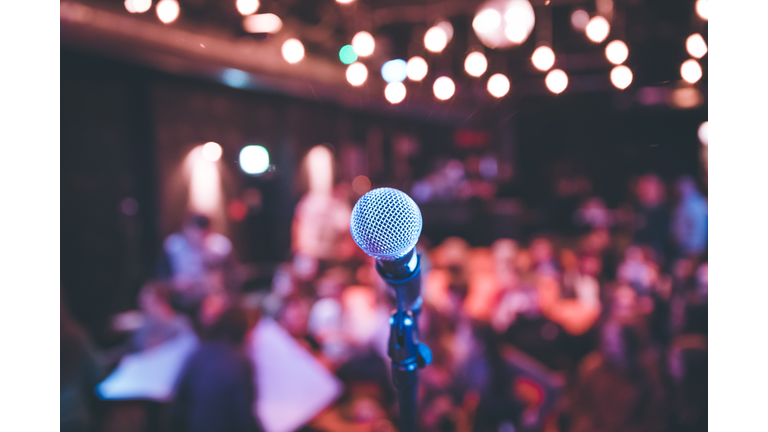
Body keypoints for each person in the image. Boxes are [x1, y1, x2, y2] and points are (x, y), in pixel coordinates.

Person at [171, 306, 264, 432]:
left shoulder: (198, 354)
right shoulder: (241, 361)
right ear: (243, 329)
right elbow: (242, 414)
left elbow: (179, 402)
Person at [162, 214, 235, 314]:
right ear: (186, 229)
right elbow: (159, 279)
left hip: (212, 303)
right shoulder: (173, 246)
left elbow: (235, 275)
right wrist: (174, 284)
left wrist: (227, 293)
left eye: (202, 235)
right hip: (181, 303)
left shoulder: (220, 247)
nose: (197, 239)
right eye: (194, 234)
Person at [670, 176, 708, 258]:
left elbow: (699, 228)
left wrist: (694, 248)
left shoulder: (695, 204)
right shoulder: (682, 203)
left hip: (692, 249)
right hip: (684, 247)